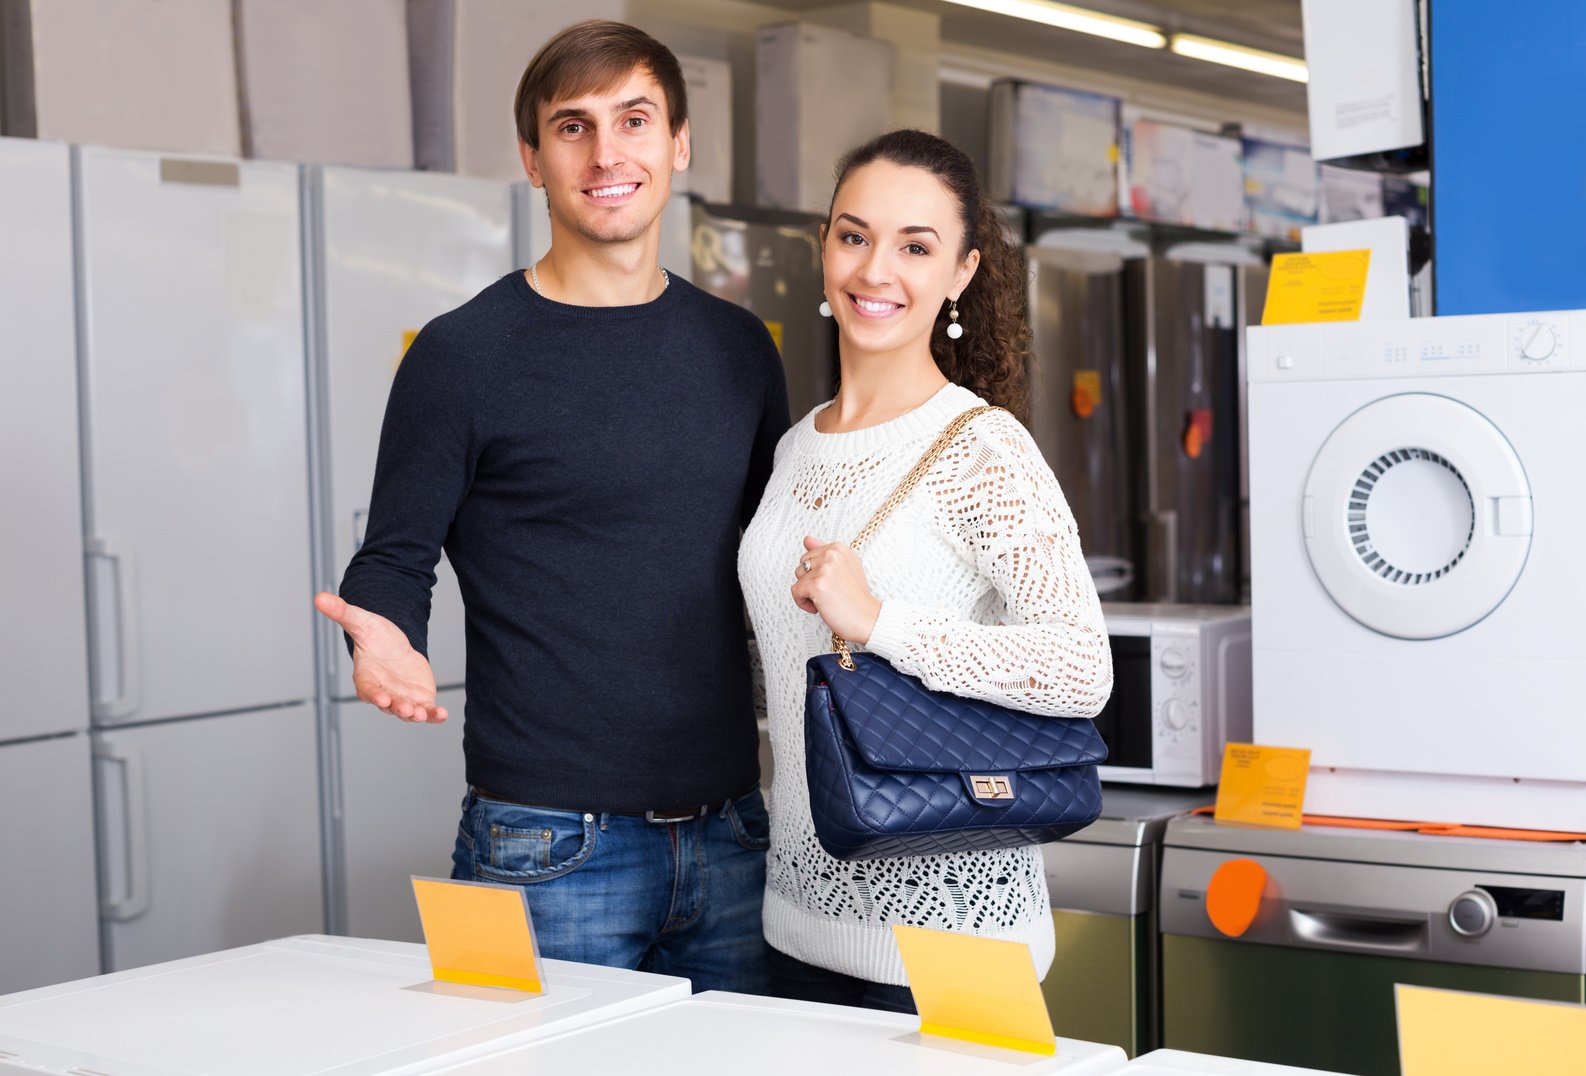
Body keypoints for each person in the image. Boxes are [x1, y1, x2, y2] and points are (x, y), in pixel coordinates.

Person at [314, 19, 788, 993]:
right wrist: (382, 636)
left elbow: (768, 562)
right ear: (531, 157)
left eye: (634, 119)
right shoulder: (462, 355)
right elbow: (393, 556)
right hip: (545, 846)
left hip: (735, 833)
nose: (606, 152)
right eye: (572, 127)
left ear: (678, 143)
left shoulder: (739, 350)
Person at [737, 129, 1113, 1011]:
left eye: (916, 247)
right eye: (855, 236)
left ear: (962, 272)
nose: (877, 271)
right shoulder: (795, 448)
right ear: (823, 249)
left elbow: (1081, 667)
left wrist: (882, 623)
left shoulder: (983, 449)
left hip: (953, 947)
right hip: (793, 923)